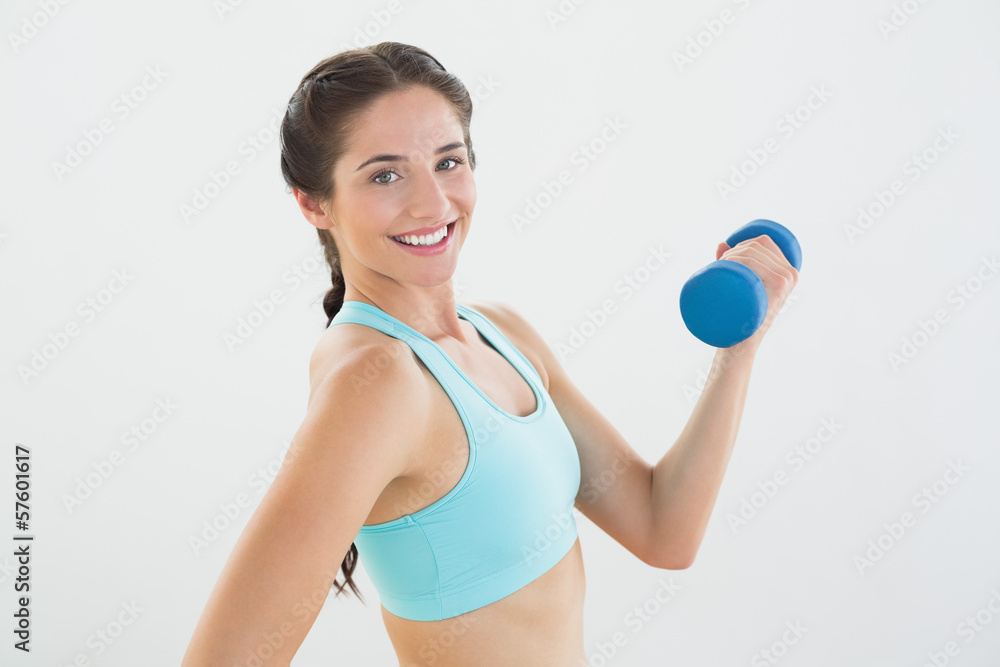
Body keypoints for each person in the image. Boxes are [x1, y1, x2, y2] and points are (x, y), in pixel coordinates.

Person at [181, 41, 799, 666]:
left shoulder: (500, 334)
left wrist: (738, 352)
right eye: (385, 174)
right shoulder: (377, 381)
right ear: (314, 203)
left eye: (448, 162)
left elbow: (662, 529)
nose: (432, 203)